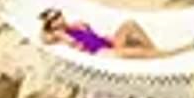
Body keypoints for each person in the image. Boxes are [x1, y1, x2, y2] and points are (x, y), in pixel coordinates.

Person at [36, 4, 176, 61]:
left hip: (108, 44)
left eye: (58, 14)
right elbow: (44, 38)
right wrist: (53, 30)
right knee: (138, 51)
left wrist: (105, 38)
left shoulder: (77, 24)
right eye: (54, 19)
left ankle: (155, 50)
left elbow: (94, 36)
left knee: (130, 24)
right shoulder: (60, 35)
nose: (59, 18)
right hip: (101, 54)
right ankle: (167, 55)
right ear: (51, 25)